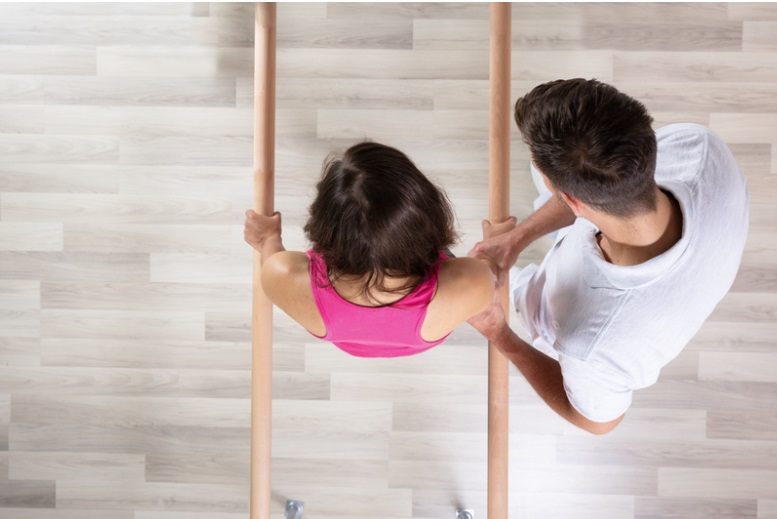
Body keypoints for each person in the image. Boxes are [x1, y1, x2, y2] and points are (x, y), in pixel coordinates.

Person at [469, 78, 749, 434]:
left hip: (566, 309)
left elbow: (596, 422)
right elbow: (610, 192)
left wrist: (500, 334)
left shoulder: (592, 343)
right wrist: (517, 238)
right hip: (605, 234)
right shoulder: (696, 149)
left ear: (573, 202)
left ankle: (521, 293)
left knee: (522, 296)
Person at [245, 141, 499, 358]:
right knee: (476, 275)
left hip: (347, 338)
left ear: (324, 223)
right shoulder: (474, 281)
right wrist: (488, 255)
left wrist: (268, 238)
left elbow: (273, 259)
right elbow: (489, 273)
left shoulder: (279, 274)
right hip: (423, 333)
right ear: (429, 208)